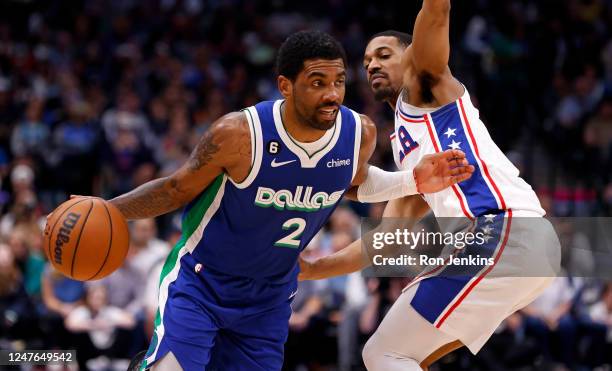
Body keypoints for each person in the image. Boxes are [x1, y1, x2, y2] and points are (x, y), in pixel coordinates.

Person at [67, 30, 473, 371]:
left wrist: (411, 180)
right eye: (318, 82)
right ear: (286, 85)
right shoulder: (239, 134)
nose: (332, 94)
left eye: (339, 82)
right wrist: (108, 208)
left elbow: (352, 182)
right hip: (202, 282)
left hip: (270, 296)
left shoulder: (358, 132)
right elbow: (177, 189)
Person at [298, 2, 561, 370]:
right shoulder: (408, 147)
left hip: (500, 233)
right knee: (403, 356)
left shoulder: (427, 89)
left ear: (411, 58)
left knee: (384, 353)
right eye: (367, 59)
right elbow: (386, 240)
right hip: (519, 248)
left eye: (384, 54)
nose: (372, 63)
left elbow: (436, 12)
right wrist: (314, 269)